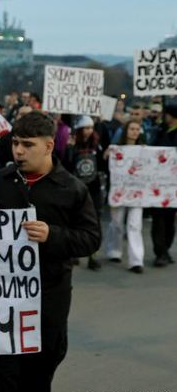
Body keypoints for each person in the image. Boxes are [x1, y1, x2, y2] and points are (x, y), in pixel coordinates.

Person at [0, 110, 100, 392]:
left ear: (48, 146)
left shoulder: (72, 189)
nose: (18, 151)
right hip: (0, 302)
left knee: (35, 383)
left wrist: (53, 235)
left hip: (47, 303)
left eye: (28, 145)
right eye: (16, 143)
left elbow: (91, 238)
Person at [103, 120, 146, 273]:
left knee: (135, 225)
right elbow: (105, 168)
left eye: (137, 129)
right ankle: (114, 251)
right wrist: (107, 155)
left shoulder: (144, 150)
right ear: (126, 130)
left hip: (137, 193)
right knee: (117, 223)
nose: (134, 131)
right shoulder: (116, 149)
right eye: (132, 128)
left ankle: (136, 261)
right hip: (119, 192)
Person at [62, 116, 104, 271]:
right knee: (74, 220)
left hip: (93, 187)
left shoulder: (96, 145)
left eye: (90, 128)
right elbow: (65, 165)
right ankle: (74, 251)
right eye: (85, 128)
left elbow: (102, 164)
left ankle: (93, 256)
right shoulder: (72, 143)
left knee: (95, 221)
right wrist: (69, 149)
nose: (88, 131)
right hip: (77, 188)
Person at [150, 104, 177, 267]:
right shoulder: (161, 131)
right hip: (157, 184)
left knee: (169, 221)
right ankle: (161, 252)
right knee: (158, 220)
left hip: (172, 185)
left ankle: (165, 250)